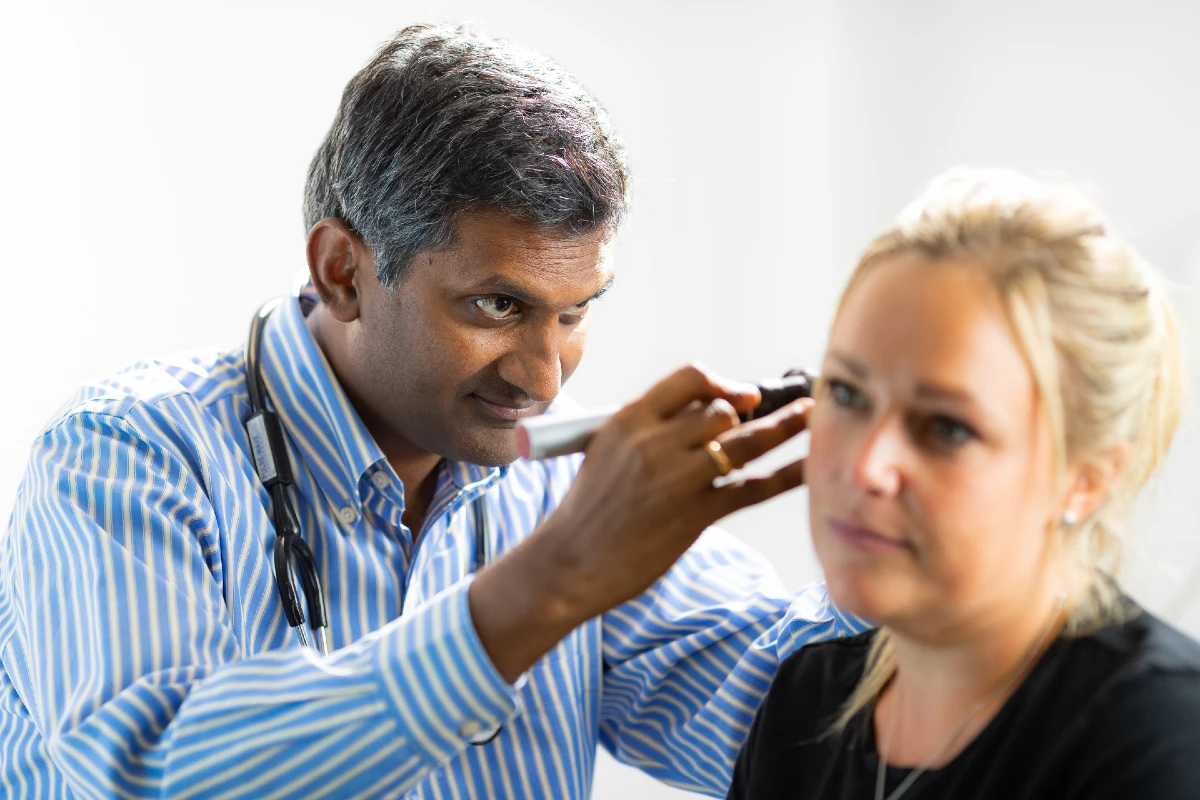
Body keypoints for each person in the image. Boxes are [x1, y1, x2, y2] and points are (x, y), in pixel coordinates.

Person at [0, 23, 866, 800]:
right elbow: (150, 773)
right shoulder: (123, 455)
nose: (543, 379)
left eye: (575, 313)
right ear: (343, 270)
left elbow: (806, 738)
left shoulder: (564, 488)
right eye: (496, 306)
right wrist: (545, 586)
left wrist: (908, 547)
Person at [728, 168, 1200, 799]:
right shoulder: (803, 703)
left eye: (946, 428)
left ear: (1086, 478)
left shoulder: (1158, 736)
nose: (866, 467)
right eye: (847, 393)